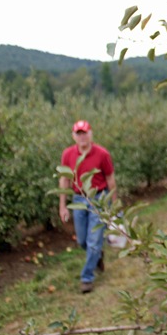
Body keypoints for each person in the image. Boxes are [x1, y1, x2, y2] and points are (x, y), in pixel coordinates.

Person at [59, 120, 117, 293]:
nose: (82, 137)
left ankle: (86, 278)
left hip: (98, 198)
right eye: (78, 134)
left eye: (85, 133)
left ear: (91, 134)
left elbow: (110, 179)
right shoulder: (68, 154)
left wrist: (114, 204)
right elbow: (64, 179)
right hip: (79, 199)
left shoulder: (102, 154)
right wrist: (63, 205)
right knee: (82, 240)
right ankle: (97, 255)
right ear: (73, 136)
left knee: (93, 241)